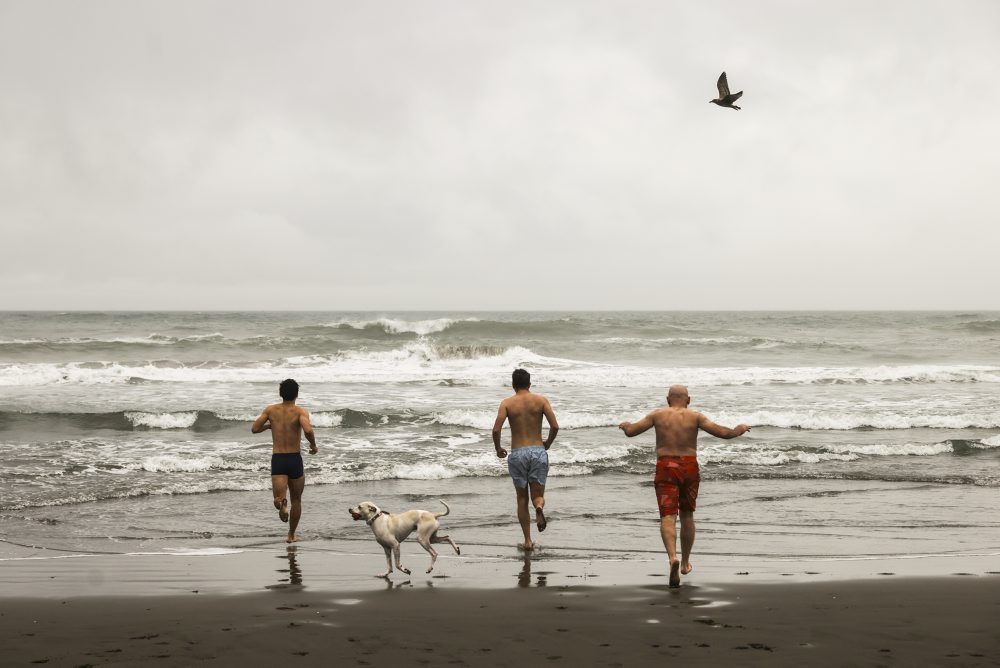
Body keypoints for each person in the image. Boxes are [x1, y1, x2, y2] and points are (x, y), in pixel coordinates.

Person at [619, 384, 750, 587]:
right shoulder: (696, 416)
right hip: (689, 466)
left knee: (668, 516)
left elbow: (631, 432)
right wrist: (738, 430)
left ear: (667, 399)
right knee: (687, 514)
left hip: (665, 466)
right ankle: (686, 562)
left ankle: (672, 557)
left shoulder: (657, 415)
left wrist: (626, 425)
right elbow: (723, 433)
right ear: (689, 400)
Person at [491, 368, 559, 551]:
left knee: (522, 499)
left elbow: (496, 430)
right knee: (537, 496)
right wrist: (548, 444)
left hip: (518, 453)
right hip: (537, 452)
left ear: (513, 385)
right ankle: (539, 507)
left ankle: (528, 541)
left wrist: (498, 448)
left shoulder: (507, 403)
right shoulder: (541, 400)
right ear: (530, 384)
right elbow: (555, 426)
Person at [252, 378, 318, 543]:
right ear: (297, 394)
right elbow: (308, 429)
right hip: (294, 459)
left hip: (279, 459)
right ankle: (291, 535)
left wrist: (269, 426)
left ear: (280, 393)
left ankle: (282, 504)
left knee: (278, 498)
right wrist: (313, 445)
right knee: (297, 500)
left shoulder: (270, 410)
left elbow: (254, 429)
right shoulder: (300, 412)